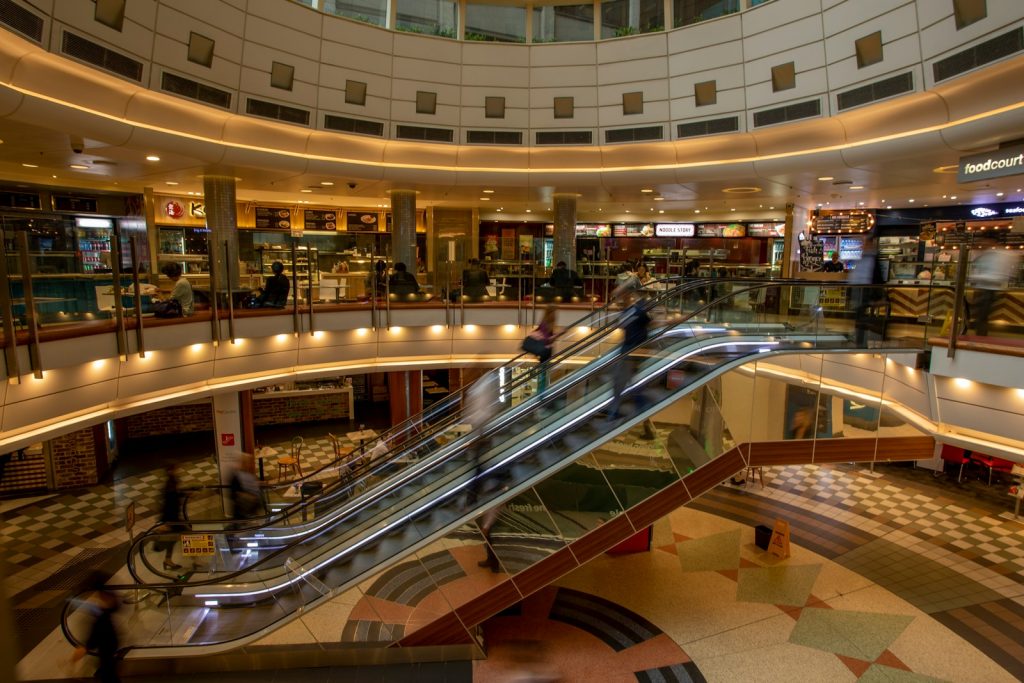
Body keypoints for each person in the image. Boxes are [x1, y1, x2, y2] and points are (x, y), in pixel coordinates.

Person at [606, 291, 652, 420]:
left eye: (619, 301)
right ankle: (638, 403)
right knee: (627, 379)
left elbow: (647, 321)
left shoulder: (633, 312)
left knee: (622, 380)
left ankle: (618, 410)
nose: (618, 304)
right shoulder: (632, 312)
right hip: (631, 350)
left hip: (631, 351)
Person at [71, 571, 121, 683]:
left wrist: (84, 648)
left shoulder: (101, 612)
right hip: (109, 642)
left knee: (109, 674)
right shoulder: (106, 606)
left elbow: (93, 637)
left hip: (106, 643)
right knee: (109, 673)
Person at [969, 246, 1021, 336]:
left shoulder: (999, 255)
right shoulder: (988, 254)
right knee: (981, 316)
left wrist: (974, 277)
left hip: (990, 290)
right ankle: (979, 336)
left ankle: (980, 338)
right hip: (983, 289)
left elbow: (997, 277)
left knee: (982, 316)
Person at [850, 237, 887, 347]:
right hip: (859, 290)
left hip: (866, 290)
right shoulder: (863, 258)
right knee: (860, 317)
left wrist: (878, 294)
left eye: (865, 243)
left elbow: (877, 277)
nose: (863, 245)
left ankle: (861, 342)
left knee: (861, 317)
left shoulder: (871, 258)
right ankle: (860, 341)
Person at [154, 466, 184, 571]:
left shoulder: (172, 482)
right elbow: (167, 505)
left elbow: (174, 497)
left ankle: (168, 560)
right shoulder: (169, 485)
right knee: (188, 536)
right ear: (170, 471)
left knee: (174, 539)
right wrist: (163, 523)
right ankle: (194, 559)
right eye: (176, 469)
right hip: (171, 519)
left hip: (173, 519)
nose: (178, 470)